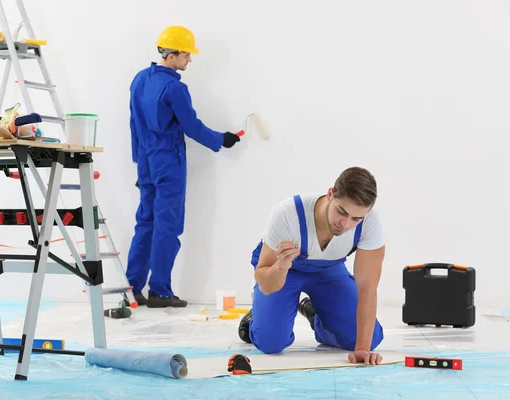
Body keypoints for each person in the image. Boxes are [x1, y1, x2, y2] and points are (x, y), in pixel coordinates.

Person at [126, 26, 242, 308]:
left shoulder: (140, 79)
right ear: (173, 54)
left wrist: (138, 159)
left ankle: (131, 289)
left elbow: (133, 122)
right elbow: (191, 126)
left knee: (145, 223)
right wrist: (222, 140)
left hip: (146, 161)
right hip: (168, 162)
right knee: (168, 225)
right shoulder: (175, 88)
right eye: (187, 55)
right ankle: (160, 291)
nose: (190, 60)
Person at [238, 167, 386, 365]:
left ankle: (316, 313)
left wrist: (361, 349)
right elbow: (266, 284)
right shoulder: (288, 214)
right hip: (283, 268)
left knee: (368, 338)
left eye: (356, 219)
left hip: (328, 270)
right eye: (341, 212)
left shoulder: (370, 223)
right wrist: (281, 266)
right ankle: (258, 316)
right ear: (331, 194)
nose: (346, 224)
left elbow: (367, 288)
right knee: (271, 343)